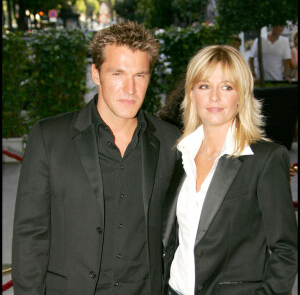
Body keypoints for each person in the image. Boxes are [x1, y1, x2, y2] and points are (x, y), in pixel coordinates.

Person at [12, 20, 181, 295]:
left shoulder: (169, 140)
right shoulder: (49, 137)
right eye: (118, 74)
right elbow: (30, 236)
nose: (130, 88)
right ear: (96, 73)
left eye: (140, 75)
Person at [162, 45, 298, 295]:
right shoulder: (178, 155)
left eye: (227, 87)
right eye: (204, 86)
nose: (214, 97)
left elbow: (286, 250)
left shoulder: (265, 160)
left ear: (242, 95)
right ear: (191, 94)